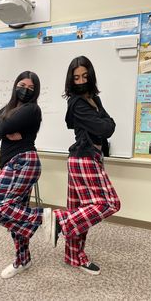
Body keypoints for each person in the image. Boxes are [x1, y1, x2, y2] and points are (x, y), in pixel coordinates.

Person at [0, 71, 52, 279]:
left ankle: (41, 218)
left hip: (23, 162)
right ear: (15, 85)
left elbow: (2, 126)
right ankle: (23, 260)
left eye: (30, 88)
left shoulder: (32, 109)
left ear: (35, 92)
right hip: (12, 163)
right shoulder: (11, 107)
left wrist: (4, 128)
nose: (25, 90)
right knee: (16, 215)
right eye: (22, 85)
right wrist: (4, 130)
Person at [51, 56, 121, 275]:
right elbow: (106, 129)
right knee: (109, 203)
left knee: (79, 211)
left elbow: (109, 125)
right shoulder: (77, 103)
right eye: (76, 77)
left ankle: (74, 256)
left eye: (84, 76)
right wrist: (103, 124)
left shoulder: (94, 100)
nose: (80, 81)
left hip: (88, 158)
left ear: (90, 76)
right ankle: (58, 221)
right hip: (83, 158)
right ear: (71, 80)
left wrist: (103, 124)